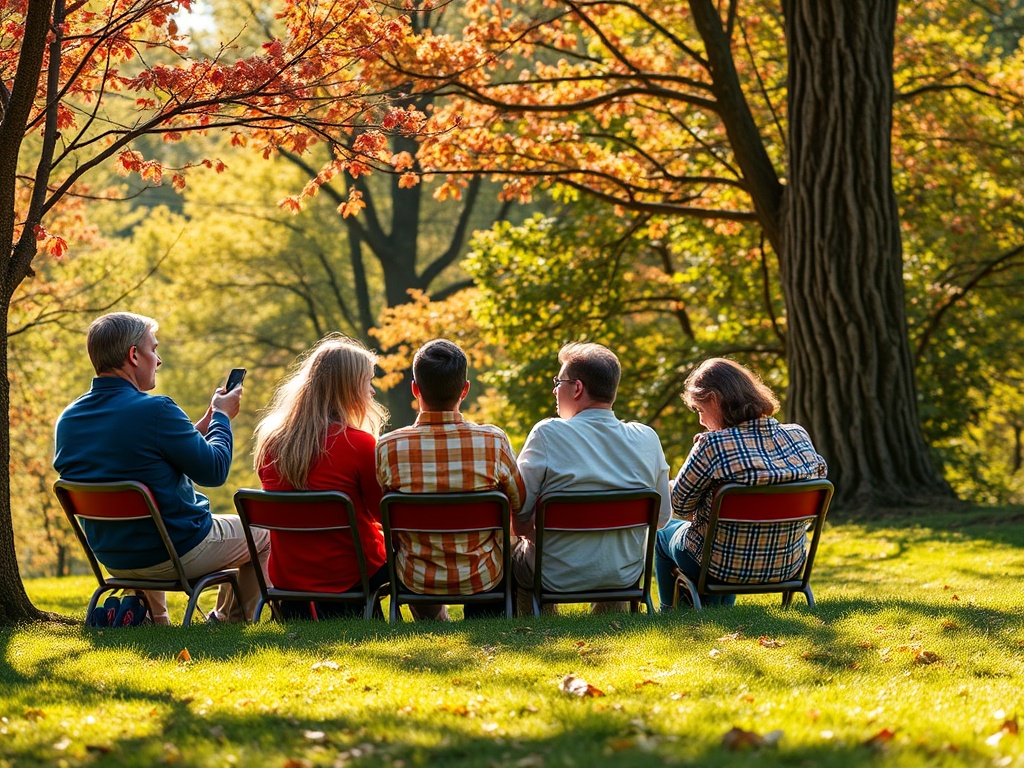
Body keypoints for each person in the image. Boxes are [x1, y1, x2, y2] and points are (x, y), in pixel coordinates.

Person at [53, 312, 269, 623]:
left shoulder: (69, 419)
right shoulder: (157, 410)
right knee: (264, 532)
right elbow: (214, 471)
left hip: (115, 558)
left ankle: (154, 620)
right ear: (134, 355)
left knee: (150, 523)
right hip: (177, 551)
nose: (159, 359)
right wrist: (222, 418)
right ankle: (229, 622)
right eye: (154, 349)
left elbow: (141, 459)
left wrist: (202, 425)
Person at [655, 358, 828, 610]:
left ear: (714, 400)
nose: (701, 421)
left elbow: (680, 505)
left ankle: (669, 613)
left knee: (663, 534)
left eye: (700, 410)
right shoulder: (798, 435)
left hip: (717, 566)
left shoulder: (712, 445)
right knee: (720, 541)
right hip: (787, 563)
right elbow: (818, 486)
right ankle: (719, 609)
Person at [512, 342, 671, 615]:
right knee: (612, 552)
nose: (554, 389)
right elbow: (661, 518)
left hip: (553, 575)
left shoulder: (547, 434)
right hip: (623, 574)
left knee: (512, 551)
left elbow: (521, 521)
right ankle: (610, 620)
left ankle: (538, 627)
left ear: (576, 388)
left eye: (558, 381)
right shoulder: (647, 438)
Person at [376, 339, 525, 620]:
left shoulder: (388, 447)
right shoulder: (493, 441)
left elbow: (382, 514)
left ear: (415, 389)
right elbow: (519, 503)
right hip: (483, 576)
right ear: (465, 389)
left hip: (417, 579)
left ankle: (434, 620)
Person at [253, 335, 389, 619]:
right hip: (352, 574)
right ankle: (435, 618)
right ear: (348, 388)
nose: (372, 391)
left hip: (288, 577)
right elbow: (382, 514)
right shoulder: (360, 444)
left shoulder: (272, 442)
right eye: (368, 381)